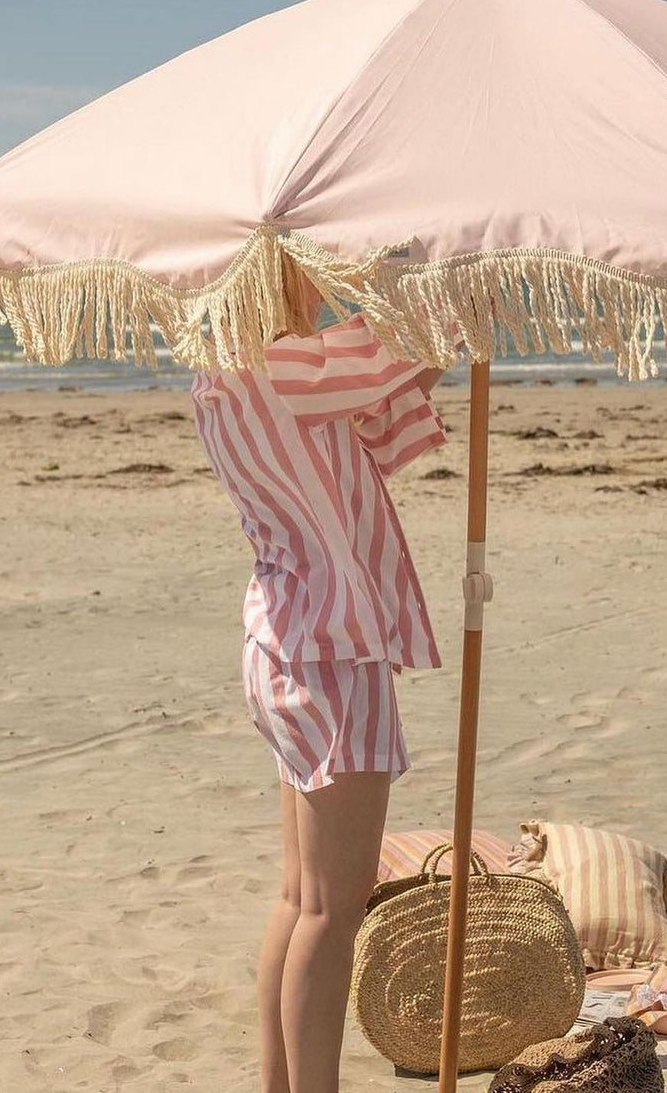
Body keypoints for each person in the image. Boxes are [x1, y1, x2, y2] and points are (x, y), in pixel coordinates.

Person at [190, 267, 453, 1093]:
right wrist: (455, 300)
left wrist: (439, 348)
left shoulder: (234, 375)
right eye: (306, 269)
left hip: (287, 638)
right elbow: (384, 356)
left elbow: (374, 419)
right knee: (334, 909)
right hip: (331, 649)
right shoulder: (283, 366)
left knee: (302, 898)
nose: (322, 283)